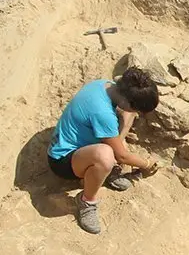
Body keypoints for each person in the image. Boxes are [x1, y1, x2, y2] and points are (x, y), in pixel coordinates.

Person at [46, 66, 161, 234]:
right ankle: (87, 201)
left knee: (125, 122)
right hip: (62, 160)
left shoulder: (104, 85)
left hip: (83, 147)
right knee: (106, 156)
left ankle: (102, 173)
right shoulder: (102, 113)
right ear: (127, 102)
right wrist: (147, 164)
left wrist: (128, 117)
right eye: (136, 109)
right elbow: (121, 155)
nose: (137, 113)